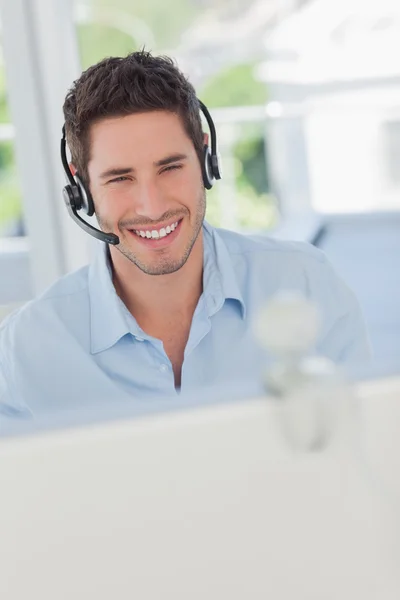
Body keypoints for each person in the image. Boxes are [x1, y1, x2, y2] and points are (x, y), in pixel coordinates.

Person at [0, 50, 370, 418]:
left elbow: (364, 450)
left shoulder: (306, 284)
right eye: (120, 178)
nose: (152, 206)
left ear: (206, 159)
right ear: (81, 186)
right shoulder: (26, 349)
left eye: (170, 168)